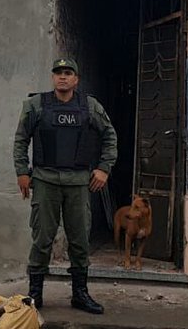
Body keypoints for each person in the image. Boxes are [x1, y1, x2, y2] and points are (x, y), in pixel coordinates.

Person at [13, 57, 117, 314]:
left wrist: (104, 168)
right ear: (52, 77)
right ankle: (35, 295)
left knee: (80, 239)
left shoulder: (89, 106)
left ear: (76, 79)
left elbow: (109, 136)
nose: (62, 77)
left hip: (79, 183)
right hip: (45, 181)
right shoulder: (36, 104)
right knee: (42, 239)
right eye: (58, 72)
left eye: (68, 73)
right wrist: (21, 172)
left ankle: (80, 294)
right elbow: (20, 139)